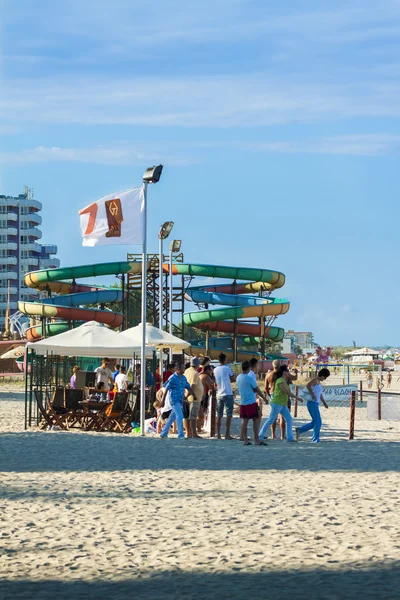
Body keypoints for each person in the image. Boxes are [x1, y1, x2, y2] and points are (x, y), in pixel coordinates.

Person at [259, 365, 297, 442]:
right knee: (271, 419)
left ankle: (290, 438)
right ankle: (260, 435)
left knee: (289, 419)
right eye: (287, 371)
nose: (288, 373)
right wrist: (296, 397)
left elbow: (294, 379)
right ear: (283, 372)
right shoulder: (280, 380)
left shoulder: (283, 380)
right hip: (277, 403)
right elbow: (286, 391)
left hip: (282, 403)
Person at [160, 362, 197, 439]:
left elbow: (188, 386)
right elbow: (166, 388)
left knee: (172, 417)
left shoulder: (184, 378)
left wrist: (193, 394)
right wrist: (162, 401)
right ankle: (181, 435)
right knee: (180, 416)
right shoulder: (172, 378)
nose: (184, 369)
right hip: (174, 399)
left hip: (180, 400)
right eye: (183, 368)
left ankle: (164, 433)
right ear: (178, 369)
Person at [237, 361, 269, 446]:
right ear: (248, 368)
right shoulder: (248, 378)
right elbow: (257, 389)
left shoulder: (238, 377)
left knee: (245, 420)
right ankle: (257, 439)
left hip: (243, 401)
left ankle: (245, 440)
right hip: (250, 401)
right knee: (255, 418)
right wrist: (264, 398)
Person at [295, 368, 330, 443]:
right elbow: (308, 385)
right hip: (312, 403)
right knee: (318, 422)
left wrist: (324, 402)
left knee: (315, 421)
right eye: (325, 377)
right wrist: (312, 394)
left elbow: (320, 394)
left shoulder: (318, 382)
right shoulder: (315, 380)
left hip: (315, 403)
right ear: (322, 375)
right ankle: (315, 439)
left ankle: (300, 430)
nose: (325, 379)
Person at [214, 352, 236, 440]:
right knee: (229, 414)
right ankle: (227, 434)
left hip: (219, 393)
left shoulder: (215, 369)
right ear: (225, 359)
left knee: (219, 415)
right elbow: (233, 379)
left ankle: (218, 434)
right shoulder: (227, 368)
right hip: (227, 392)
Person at [184, 357, 204, 438]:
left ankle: (188, 433)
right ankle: (194, 434)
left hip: (188, 396)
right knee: (193, 417)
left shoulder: (187, 371)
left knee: (187, 416)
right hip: (193, 398)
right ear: (197, 364)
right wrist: (188, 395)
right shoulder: (194, 373)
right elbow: (192, 386)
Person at [197, 364, 216, 433]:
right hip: (203, 396)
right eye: (211, 370)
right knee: (202, 413)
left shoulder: (199, 375)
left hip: (199, 395)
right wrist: (213, 379)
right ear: (207, 370)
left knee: (199, 412)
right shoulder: (206, 376)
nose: (212, 372)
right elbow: (212, 386)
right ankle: (199, 428)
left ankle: (199, 427)